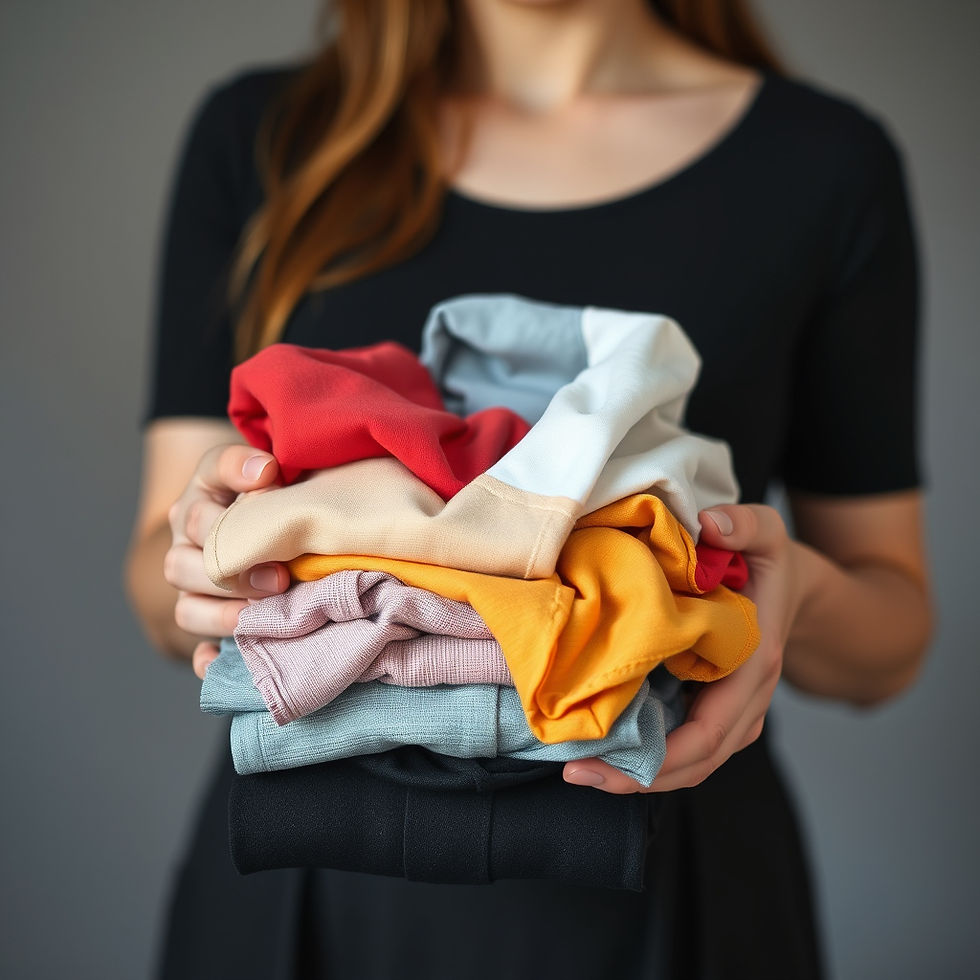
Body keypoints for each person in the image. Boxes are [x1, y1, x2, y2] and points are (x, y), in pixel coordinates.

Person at [125, 0, 933, 976]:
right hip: (309, 883)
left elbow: (887, 629)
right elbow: (158, 580)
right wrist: (211, 564)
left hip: (672, 883)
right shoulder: (266, 138)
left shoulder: (821, 164)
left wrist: (781, 588)